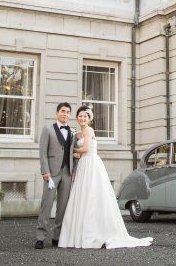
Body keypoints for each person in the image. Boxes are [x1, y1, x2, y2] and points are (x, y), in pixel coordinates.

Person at [58, 105, 153, 249]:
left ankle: (95, 233)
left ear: (89, 119)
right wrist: (70, 154)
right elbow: (79, 154)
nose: (82, 118)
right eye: (80, 116)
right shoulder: (77, 134)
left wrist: (69, 150)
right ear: (77, 118)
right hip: (83, 165)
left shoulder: (89, 130)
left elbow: (86, 149)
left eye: (85, 116)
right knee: (82, 196)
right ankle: (80, 233)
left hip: (92, 164)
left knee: (93, 195)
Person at [35, 102, 77, 249]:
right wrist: (44, 170)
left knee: (63, 206)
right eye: (63, 111)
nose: (65, 114)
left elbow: (74, 153)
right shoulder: (47, 129)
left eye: (68, 112)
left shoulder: (73, 132)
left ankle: (57, 237)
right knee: (46, 205)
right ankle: (40, 237)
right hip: (51, 173)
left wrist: (74, 170)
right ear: (57, 113)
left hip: (67, 172)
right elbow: (42, 151)